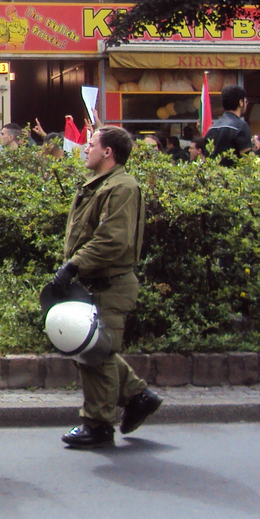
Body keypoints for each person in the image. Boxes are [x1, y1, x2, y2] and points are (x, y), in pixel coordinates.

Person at [47, 125, 162, 448]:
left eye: (92, 143)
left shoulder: (122, 187)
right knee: (93, 348)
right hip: (94, 281)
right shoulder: (102, 184)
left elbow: (112, 240)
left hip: (110, 282)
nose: (86, 148)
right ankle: (139, 397)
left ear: (108, 152)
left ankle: (97, 424)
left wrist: (73, 265)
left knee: (96, 355)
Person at [201, 84, 254, 160]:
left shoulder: (212, 128)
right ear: (241, 102)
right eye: (245, 101)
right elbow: (247, 160)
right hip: (234, 171)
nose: (247, 104)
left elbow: (206, 158)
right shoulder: (240, 127)